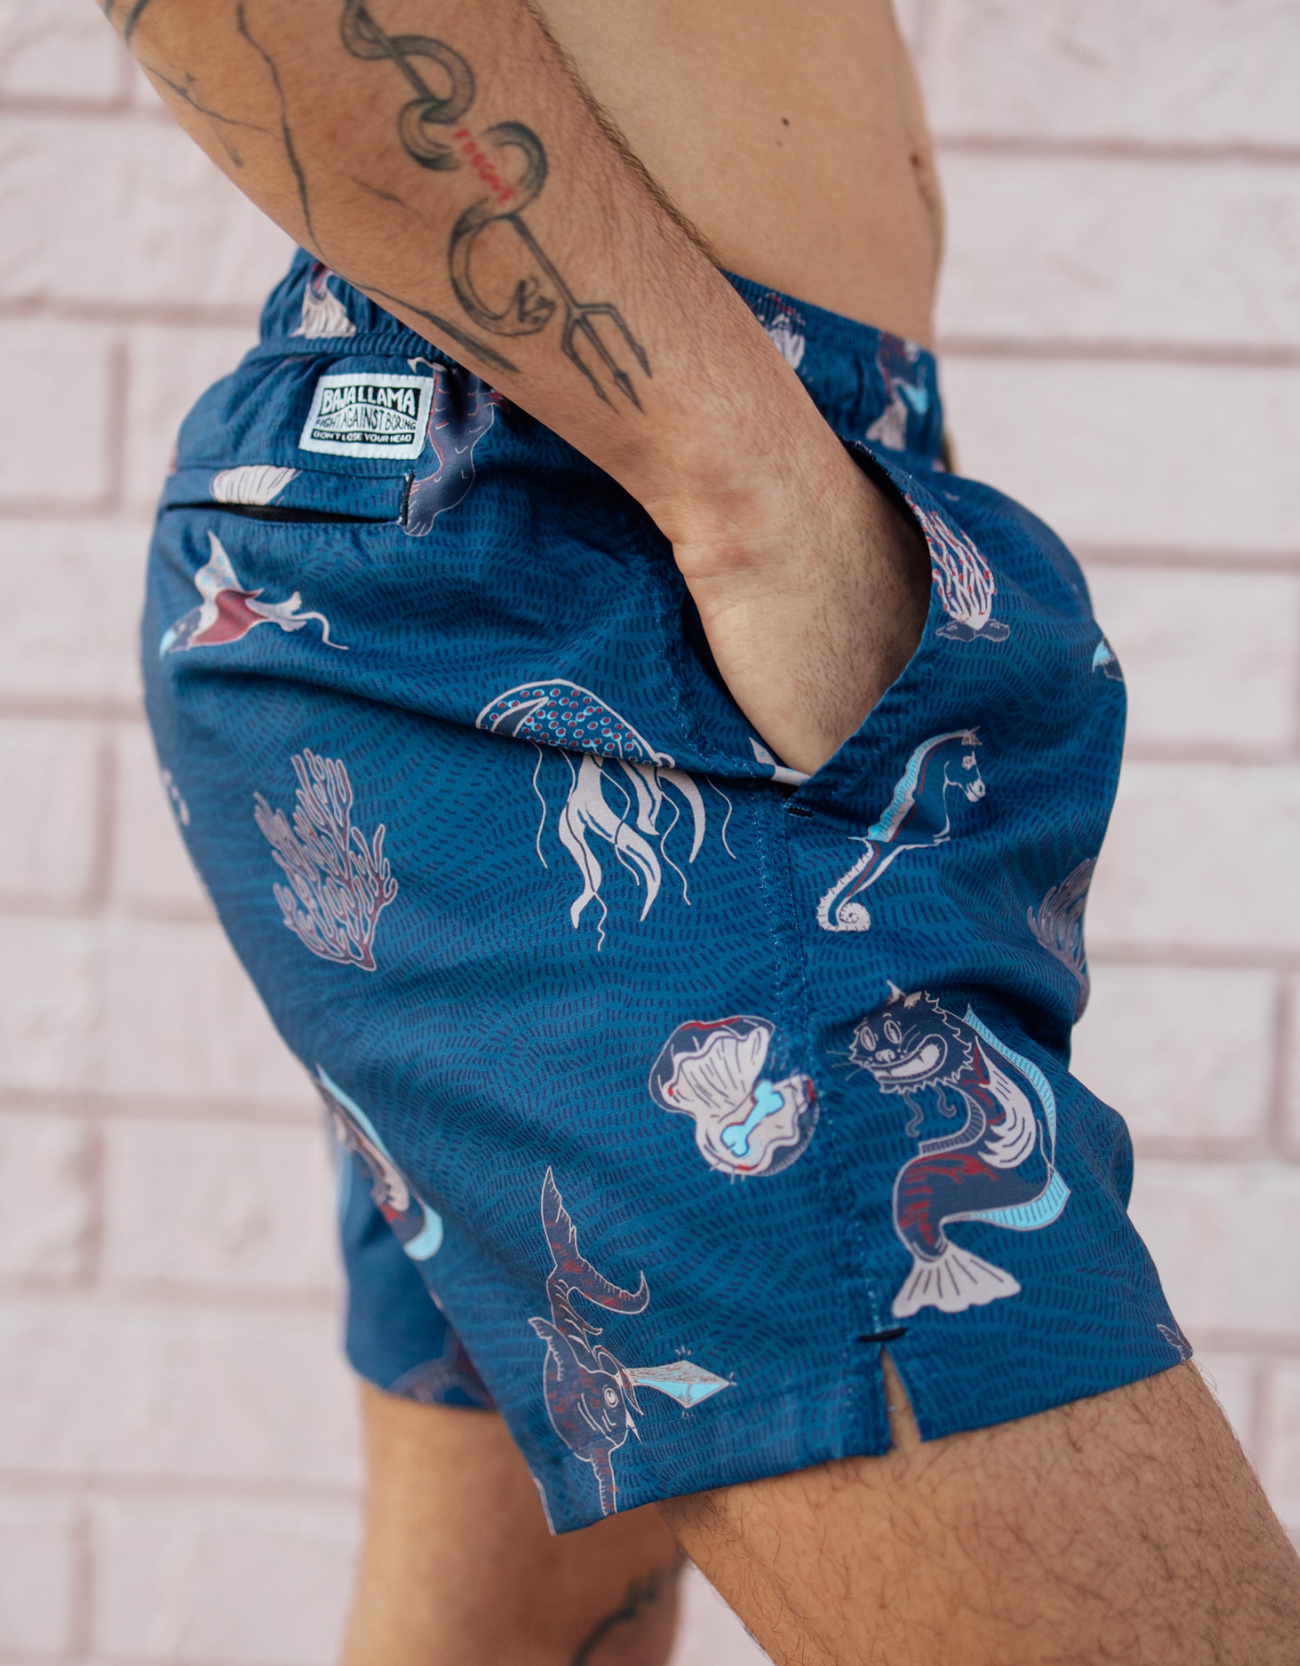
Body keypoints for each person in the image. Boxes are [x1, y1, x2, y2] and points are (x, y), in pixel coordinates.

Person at [100, 2, 1300, 1660]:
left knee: (504, 1630)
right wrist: (749, 486)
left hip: (654, 497)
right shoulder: (697, 498)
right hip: (576, 526)